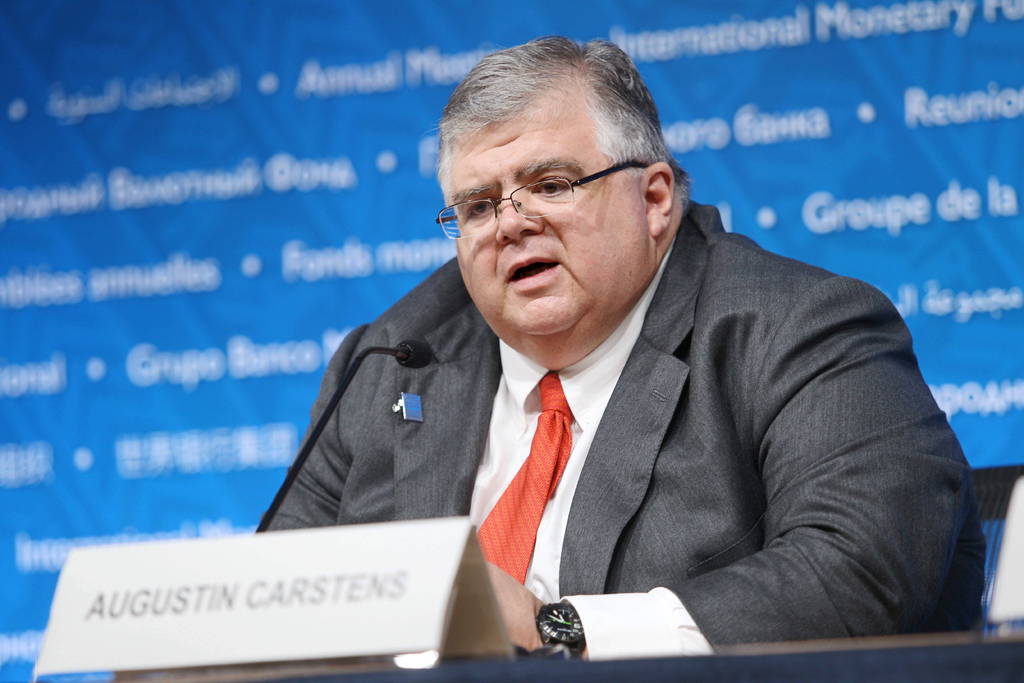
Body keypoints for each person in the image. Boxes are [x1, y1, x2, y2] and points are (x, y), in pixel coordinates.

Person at [265, 36, 984, 659]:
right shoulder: (390, 361)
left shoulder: (799, 328)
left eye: (551, 184)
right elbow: (270, 607)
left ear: (655, 199)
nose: (510, 224)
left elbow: (859, 572)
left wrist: (557, 630)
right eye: (478, 206)